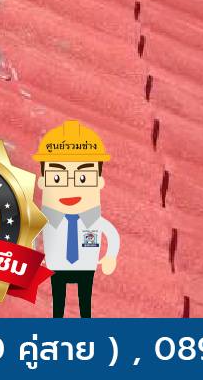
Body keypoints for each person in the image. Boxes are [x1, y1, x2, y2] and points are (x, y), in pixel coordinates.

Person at [33, 120, 119, 318]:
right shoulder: (47, 219)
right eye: (58, 178)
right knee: (58, 299)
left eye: (82, 178)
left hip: (85, 266)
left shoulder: (94, 221)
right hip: (57, 266)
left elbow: (111, 234)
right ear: (43, 182)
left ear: (98, 182)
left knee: (84, 299)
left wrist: (110, 256)